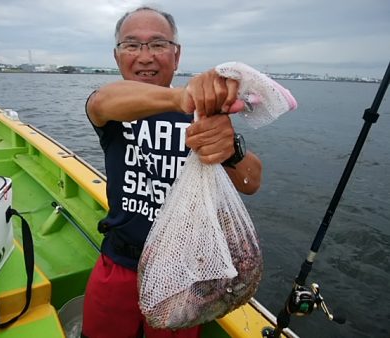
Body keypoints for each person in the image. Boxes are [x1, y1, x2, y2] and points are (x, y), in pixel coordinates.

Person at [82, 6, 262, 338]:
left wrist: (230, 147)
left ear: (176, 56)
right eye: (132, 45)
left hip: (185, 276)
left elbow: (252, 181)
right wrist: (183, 98)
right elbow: (102, 101)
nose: (145, 56)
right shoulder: (115, 107)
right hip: (118, 264)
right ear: (117, 55)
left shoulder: (203, 118)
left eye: (158, 44)